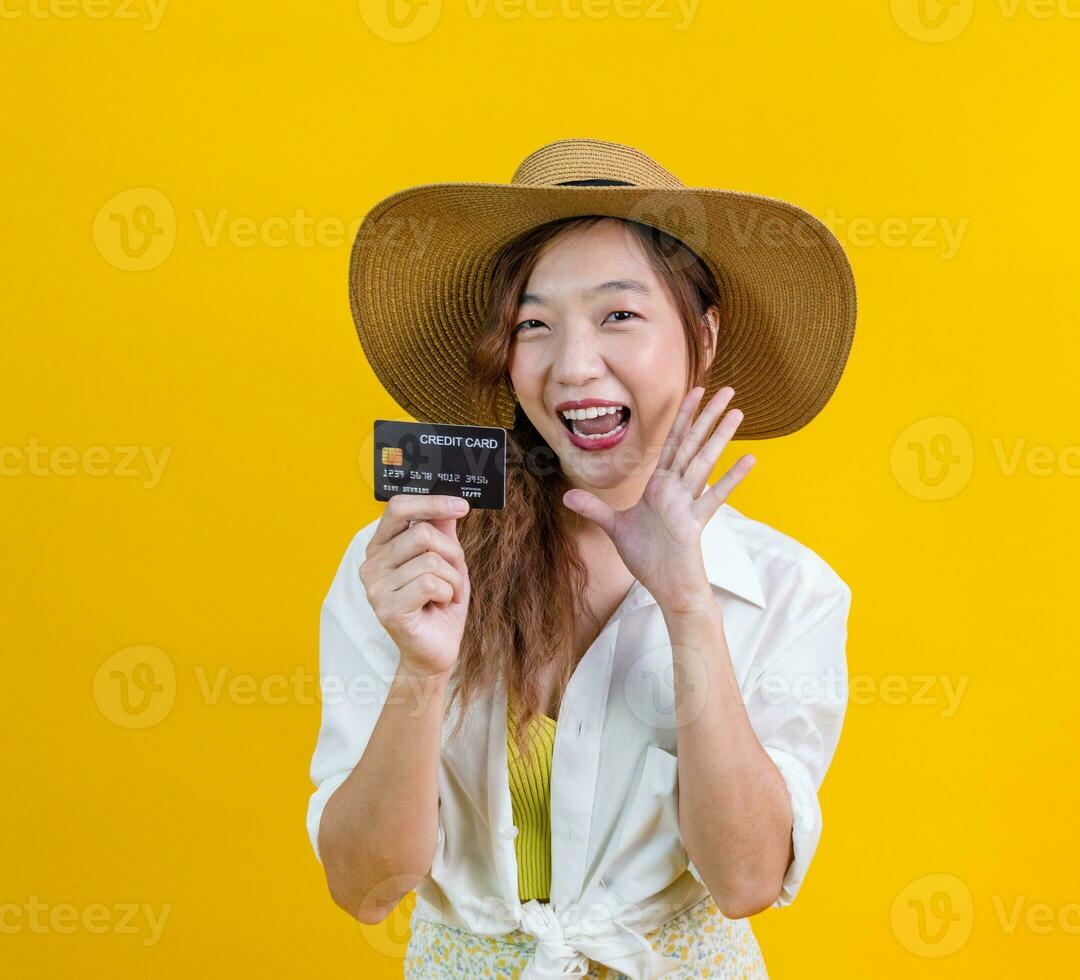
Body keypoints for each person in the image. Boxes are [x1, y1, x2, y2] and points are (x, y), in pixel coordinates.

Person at [305, 138, 859, 978]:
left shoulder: (788, 592)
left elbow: (746, 880)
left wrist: (687, 608)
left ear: (702, 337)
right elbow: (365, 886)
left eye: (619, 315)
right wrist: (421, 668)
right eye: (534, 324)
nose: (572, 366)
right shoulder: (409, 565)